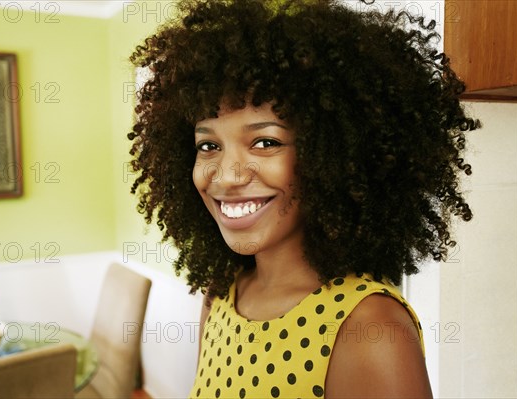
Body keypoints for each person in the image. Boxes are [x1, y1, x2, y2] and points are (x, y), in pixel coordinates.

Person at [127, 0, 479, 397]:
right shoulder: (221, 293)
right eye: (208, 146)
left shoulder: (369, 329)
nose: (226, 176)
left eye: (265, 142)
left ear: (333, 155)